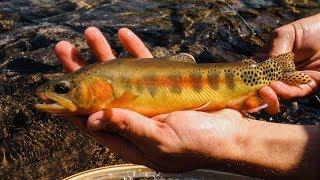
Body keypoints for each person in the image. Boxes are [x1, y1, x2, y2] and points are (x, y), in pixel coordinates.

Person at [53, 13, 320, 178]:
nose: (57, 94)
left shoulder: (110, 96)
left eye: (62, 89)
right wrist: (242, 141)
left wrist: (241, 141)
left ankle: (274, 72)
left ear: (99, 86)